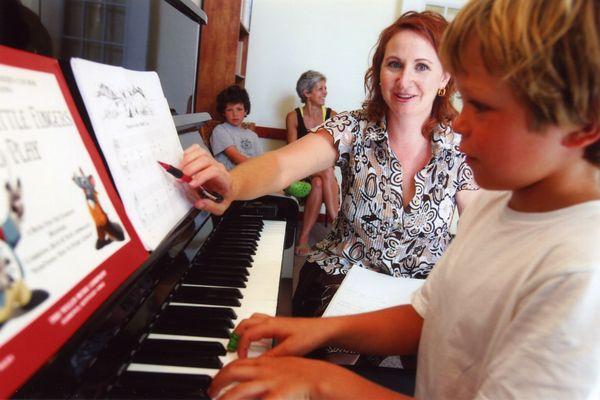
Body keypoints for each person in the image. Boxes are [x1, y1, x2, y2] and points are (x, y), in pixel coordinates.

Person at [202, 0, 600, 398]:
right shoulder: (498, 211)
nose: (459, 124)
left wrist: (318, 383)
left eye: (481, 105)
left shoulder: (579, 271)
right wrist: (315, 331)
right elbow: (433, 317)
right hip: (353, 281)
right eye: (394, 64)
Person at [182, 11, 478, 320]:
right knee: (334, 356)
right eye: (394, 64)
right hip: (346, 276)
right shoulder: (351, 127)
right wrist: (233, 184)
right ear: (379, 72)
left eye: (422, 67)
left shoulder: (462, 143)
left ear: (444, 76)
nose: (405, 80)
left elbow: (479, 224)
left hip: (424, 290)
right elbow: (282, 165)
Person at [285, 70, 339, 256]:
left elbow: (338, 150)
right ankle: (336, 223)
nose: (325, 92)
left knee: (318, 183)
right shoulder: (293, 117)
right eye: (320, 89)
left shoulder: (332, 115)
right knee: (324, 172)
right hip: (300, 171)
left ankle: (303, 239)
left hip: (323, 174)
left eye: (325, 88)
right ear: (307, 93)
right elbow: (293, 154)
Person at [210, 85, 263, 171]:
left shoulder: (252, 135)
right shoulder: (220, 130)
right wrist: (258, 169)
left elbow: (261, 159)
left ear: (245, 111)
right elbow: (236, 158)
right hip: (232, 176)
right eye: (229, 110)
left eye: (239, 109)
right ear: (223, 112)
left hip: (252, 174)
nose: (235, 114)